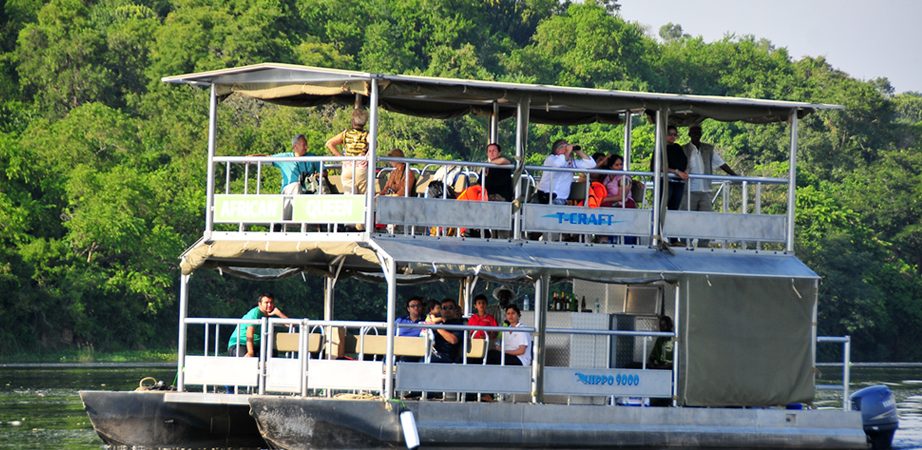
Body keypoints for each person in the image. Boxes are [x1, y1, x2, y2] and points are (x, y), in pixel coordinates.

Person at [682, 125, 738, 246]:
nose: (696, 135)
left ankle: (703, 245)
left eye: (698, 132)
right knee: (687, 219)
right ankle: (686, 244)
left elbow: (721, 163)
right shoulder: (684, 149)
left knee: (706, 219)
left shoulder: (708, 149)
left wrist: (734, 175)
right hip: (689, 190)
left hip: (705, 190)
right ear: (689, 134)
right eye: (694, 132)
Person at [227, 293, 289, 358]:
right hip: (240, 344)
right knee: (247, 361)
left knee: (271, 355)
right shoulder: (255, 313)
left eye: (271, 302)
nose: (269, 305)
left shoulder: (271, 314)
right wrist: (250, 352)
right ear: (260, 304)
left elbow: (291, 325)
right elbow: (249, 333)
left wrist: (279, 313)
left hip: (257, 347)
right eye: (266, 302)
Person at [535, 139, 595, 205]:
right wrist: (567, 152)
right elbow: (559, 164)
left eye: (567, 146)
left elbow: (591, 165)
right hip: (544, 197)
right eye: (562, 147)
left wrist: (578, 151)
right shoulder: (551, 159)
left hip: (560, 199)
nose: (566, 148)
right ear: (556, 150)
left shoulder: (572, 162)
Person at [325, 108, 369, 195]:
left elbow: (329, 143)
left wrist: (342, 158)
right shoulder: (366, 134)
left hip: (347, 167)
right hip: (360, 167)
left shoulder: (346, 133)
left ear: (352, 121)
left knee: (350, 197)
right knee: (364, 197)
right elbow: (374, 143)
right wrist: (366, 156)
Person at [650, 125, 688, 211]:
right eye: (670, 134)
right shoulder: (660, 148)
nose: (673, 137)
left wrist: (684, 172)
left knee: (675, 207)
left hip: (678, 182)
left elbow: (684, 162)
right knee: (661, 206)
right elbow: (658, 166)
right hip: (665, 182)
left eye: (675, 135)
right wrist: (676, 172)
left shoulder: (678, 148)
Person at [429, 298, 463, 363]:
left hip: (448, 356)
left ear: (455, 310)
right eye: (444, 308)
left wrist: (437, 328)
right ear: (441, 311)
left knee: (424, 360)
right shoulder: (439, 324)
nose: (447, 310)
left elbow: (453, 340)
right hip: (433, 353)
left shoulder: (459, 325)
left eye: (450, 308)